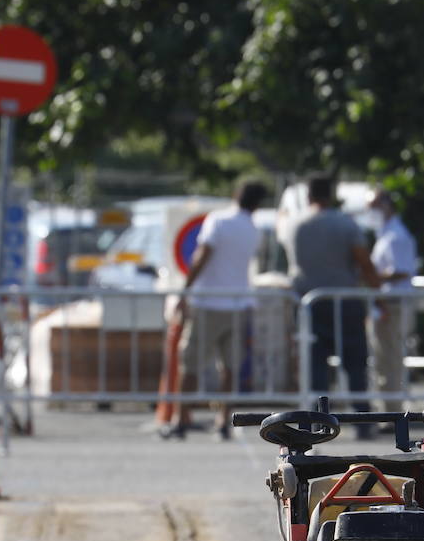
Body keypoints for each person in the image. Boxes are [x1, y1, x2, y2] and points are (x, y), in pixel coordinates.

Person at [162, 178, 269, 441]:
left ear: (235, 195)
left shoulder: (218, 221)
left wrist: (185, 290)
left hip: (209, 302)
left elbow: (202, 255)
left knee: (191, 363)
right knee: (230, 367)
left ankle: (181, 418)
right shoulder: (254, 230)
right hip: (238, 303)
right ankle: (224, 419)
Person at [281, 174, 382, 434]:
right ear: (331, 195)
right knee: (355, 364)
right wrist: (378, 294)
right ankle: (362, 423)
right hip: (344, 302)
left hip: (308, 305)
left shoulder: (294, 224)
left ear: (308, 196)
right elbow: (363, 261)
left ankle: (318, 425)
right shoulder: (345, 224)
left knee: (315, 368)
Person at [365, 189, 418, 409]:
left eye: (374, 206)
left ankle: (392, 410)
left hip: (392, 303)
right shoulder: (387, 233)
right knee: (383, 358)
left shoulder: (396, 235)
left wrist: (371, 276)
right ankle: (389, 408)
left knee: (389, 358)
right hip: (386, 302)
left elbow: (402, 270)